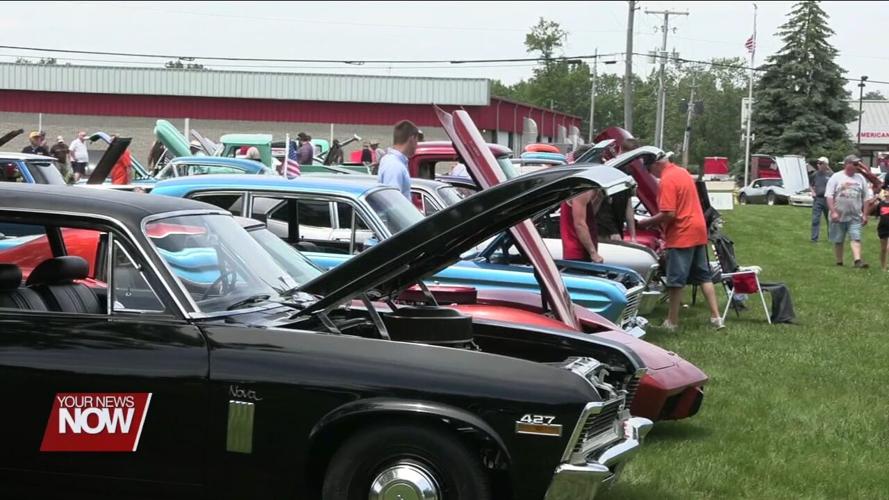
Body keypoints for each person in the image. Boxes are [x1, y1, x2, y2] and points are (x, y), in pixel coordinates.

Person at [638, 152, 724, 331]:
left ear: (655, 165)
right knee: (704, 276)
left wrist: (648, 222)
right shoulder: (682, 172)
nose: (650, 173)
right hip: (698, 228)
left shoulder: (667, 180)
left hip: (682, 233)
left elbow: (669, 213)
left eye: (648, 169)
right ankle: (716, 318)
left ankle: (672, 321)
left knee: (676, 280)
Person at [826, 155, 872, 268]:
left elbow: (866, 198)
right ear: (847, 164)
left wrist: (865, 214)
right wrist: (833, 212)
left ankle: (857, 261)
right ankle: (839, 262)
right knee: (838, 240)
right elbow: (829, 196)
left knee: (856, 237)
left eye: (858, 164)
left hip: (855, 215)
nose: (858, 167)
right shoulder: (836, 177)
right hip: (838, 215)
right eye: (855, 164)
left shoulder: (860, 178)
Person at [377, 120, 420, 199]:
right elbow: (392, 199)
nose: (417, 145)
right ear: (412, 138)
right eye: (417, 140)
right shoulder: (394, 165)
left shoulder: (393, 162)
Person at [560, 189, 605, 263]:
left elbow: (588, 216)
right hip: (578, 253)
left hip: (581, 253)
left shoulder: (585, 191)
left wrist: (598, 199)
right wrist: (593, 253)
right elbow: (579, 224)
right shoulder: (582, 192)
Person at [810, 157, 832, 242]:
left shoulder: (831, 175)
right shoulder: (815, 174)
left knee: (829, 220)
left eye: (820, 163)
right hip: (818, 199)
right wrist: (813, 192)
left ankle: (831, 238)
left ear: (825, 165)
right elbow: (811, 185)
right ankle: (814, 239)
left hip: (828, 200)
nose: (818, 165)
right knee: (815, 219)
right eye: (818, 163)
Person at [876, 177, 889, 272]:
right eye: (886, 190)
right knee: (883, 249)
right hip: (882, 228)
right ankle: (883, 267)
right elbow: (878, 215)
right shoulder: (881, 203)